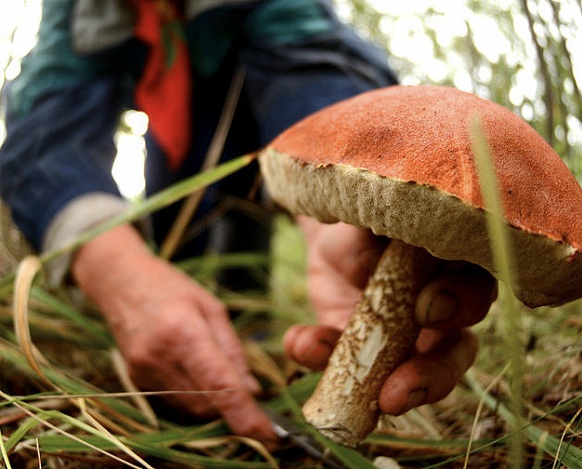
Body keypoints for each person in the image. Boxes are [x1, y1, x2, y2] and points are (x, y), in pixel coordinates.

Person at [0, 0, 496, 448]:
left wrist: (343, 214)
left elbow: (312, 63)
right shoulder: (79, 11)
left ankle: (251, 353)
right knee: (174, 252)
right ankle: (184, 375)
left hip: (255, 136)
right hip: (169, 144)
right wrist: (118, 271)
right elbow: (45, 124)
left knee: (245, 254)